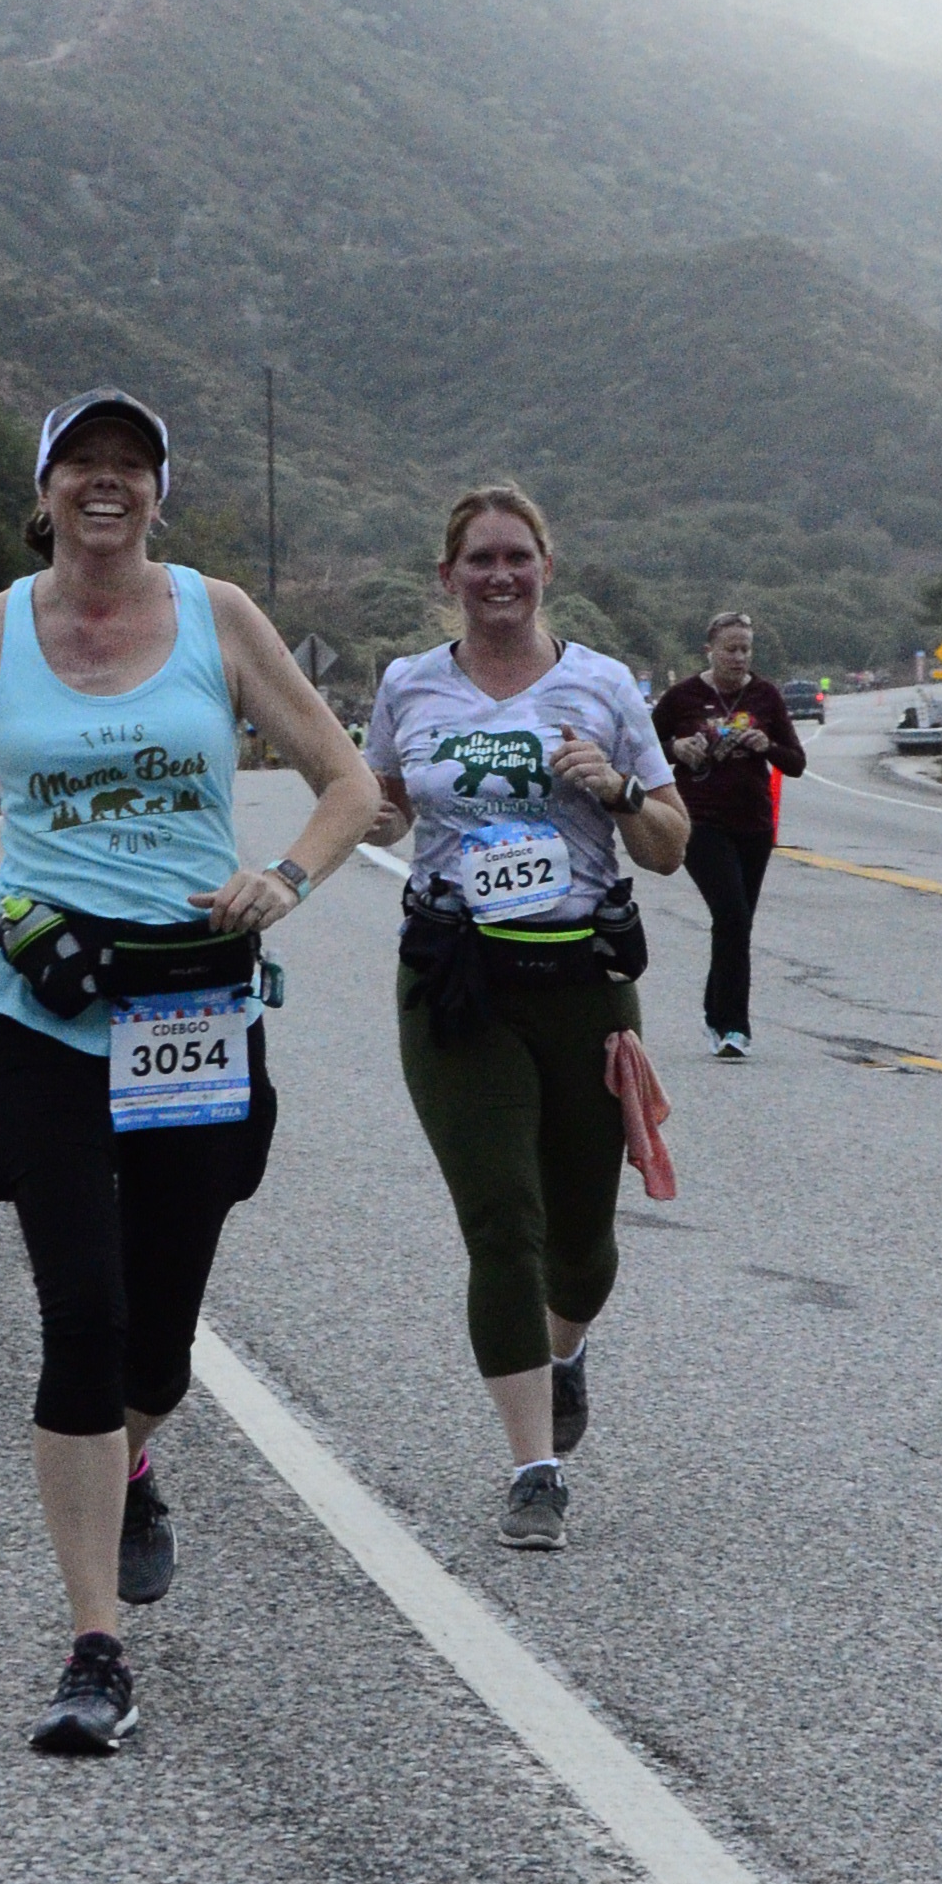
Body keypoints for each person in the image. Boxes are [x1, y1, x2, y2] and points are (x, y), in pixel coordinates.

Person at [0, 390, 379, 1757]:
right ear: (43, 491)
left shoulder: (219, 617)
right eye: (81, 462)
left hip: (190, 1013)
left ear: (158, 490)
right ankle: (96, 1647)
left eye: (130, 465)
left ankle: (131, 1457)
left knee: (158, 1344)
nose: (106, 482)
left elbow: (347, 784)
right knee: (81, 1316)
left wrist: (284, 879)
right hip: (41, 1011)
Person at [367, 485, 689, 1553]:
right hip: (457, 982)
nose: (499, 576)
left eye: (517, 557)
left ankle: (564, 1350)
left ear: (547, 567)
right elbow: (377, 803)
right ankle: (533, 1469)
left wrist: (620, 791)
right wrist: (363, 817)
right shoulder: (409, 684)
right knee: (502, 1220)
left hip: (583, 980)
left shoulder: (604, 686)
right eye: (480, 559)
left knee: (581, 1244)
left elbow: (670, 846)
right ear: (448, 575)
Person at [652, 605, 804, 1055]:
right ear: (710, 650)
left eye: (746, 650)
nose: (739, 658)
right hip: (699, 821)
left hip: (753, 823)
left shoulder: (765, 696)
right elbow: (639, 749)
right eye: (730, 650)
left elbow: (796, 762)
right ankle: (735, 1027)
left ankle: (715, 1013)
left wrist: (767, 745)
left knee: (736, 923)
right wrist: (677, 748)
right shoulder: (682, 697)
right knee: (732, 914)